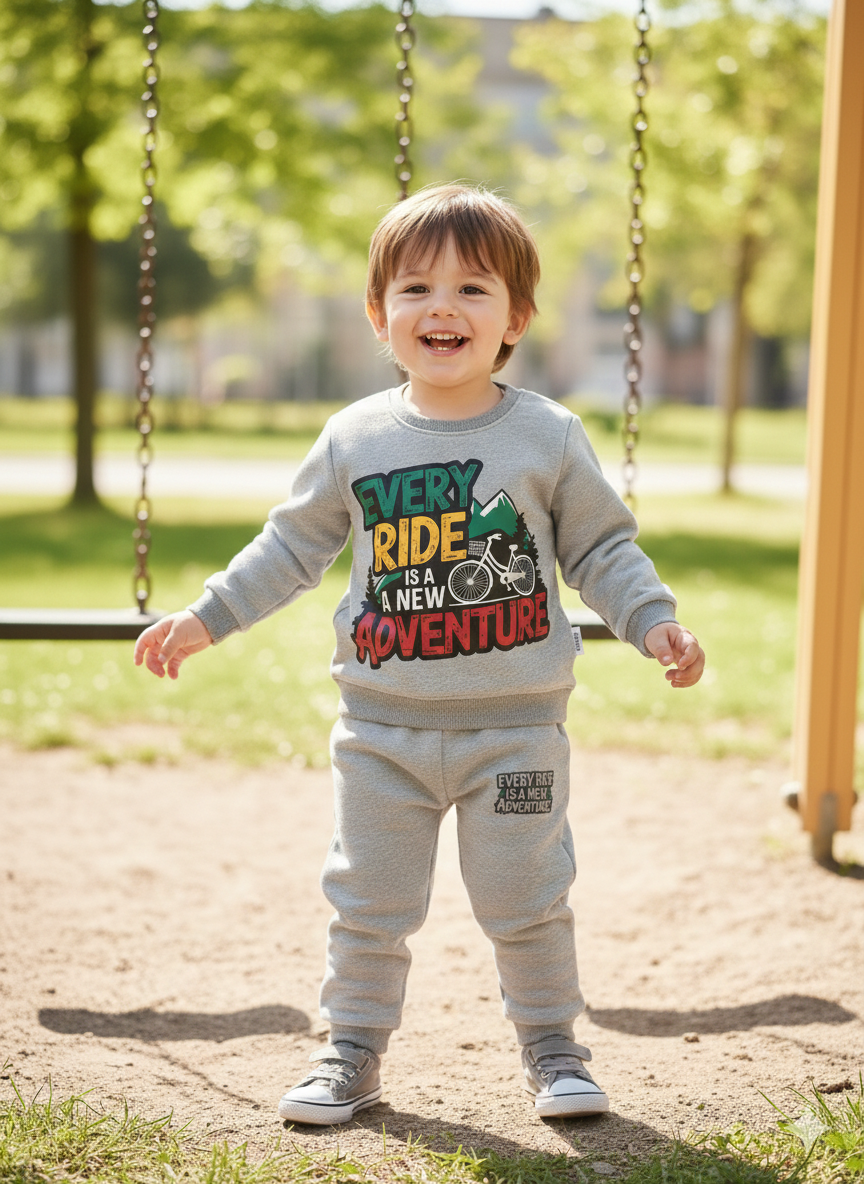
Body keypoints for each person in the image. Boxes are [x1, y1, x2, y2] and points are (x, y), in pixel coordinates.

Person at [134, 184, 705, 1126]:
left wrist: (651, 619)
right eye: (416, 289)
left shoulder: (548, 435)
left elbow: (601, 548)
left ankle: (554, 1049)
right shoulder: (354, 437)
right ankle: (351, 1052)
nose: (443, 307)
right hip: (381, 731)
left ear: (515, 318)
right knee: (367, 901)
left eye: (473, 288)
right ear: (379, 314)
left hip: (515, 731)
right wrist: (207, 617)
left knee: (527, 899)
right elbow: (290, 548)